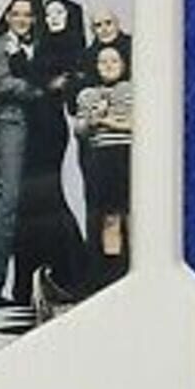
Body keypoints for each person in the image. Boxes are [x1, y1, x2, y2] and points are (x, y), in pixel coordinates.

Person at [14, 0, 87, 300]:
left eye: (60, 12)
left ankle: (69, 273)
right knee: (31, 201)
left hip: (49, 128)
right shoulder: (41, 44)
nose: (54, 16)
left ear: (70, 17)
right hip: (30, 127)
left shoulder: (70, 48)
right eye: (48, 13)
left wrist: (62, 83)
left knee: (44, 196)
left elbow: (62, 86)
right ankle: (36, 277)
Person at [0, 0, 43, 305]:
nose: (22, 19)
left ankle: (26, 288)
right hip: (10, 122)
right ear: (7, 17)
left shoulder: (41, 44)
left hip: (43, 127)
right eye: (16, 13)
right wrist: (41, 88)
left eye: (27, 14)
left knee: (37, 203)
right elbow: (2, 84)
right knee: (9, 200)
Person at [74, 45, 133, 289]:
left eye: (114, 61)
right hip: (102, 159)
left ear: (124, 64)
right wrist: (92, 121)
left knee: (133, 215)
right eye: (103, 62)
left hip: (129, 157)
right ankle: (113, 275)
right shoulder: (87, 95)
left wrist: (106, 121)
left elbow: (139, 123)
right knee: (110, 216)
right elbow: (79, 130)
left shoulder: (133, 89)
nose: (108, 66)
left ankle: (135, 270)